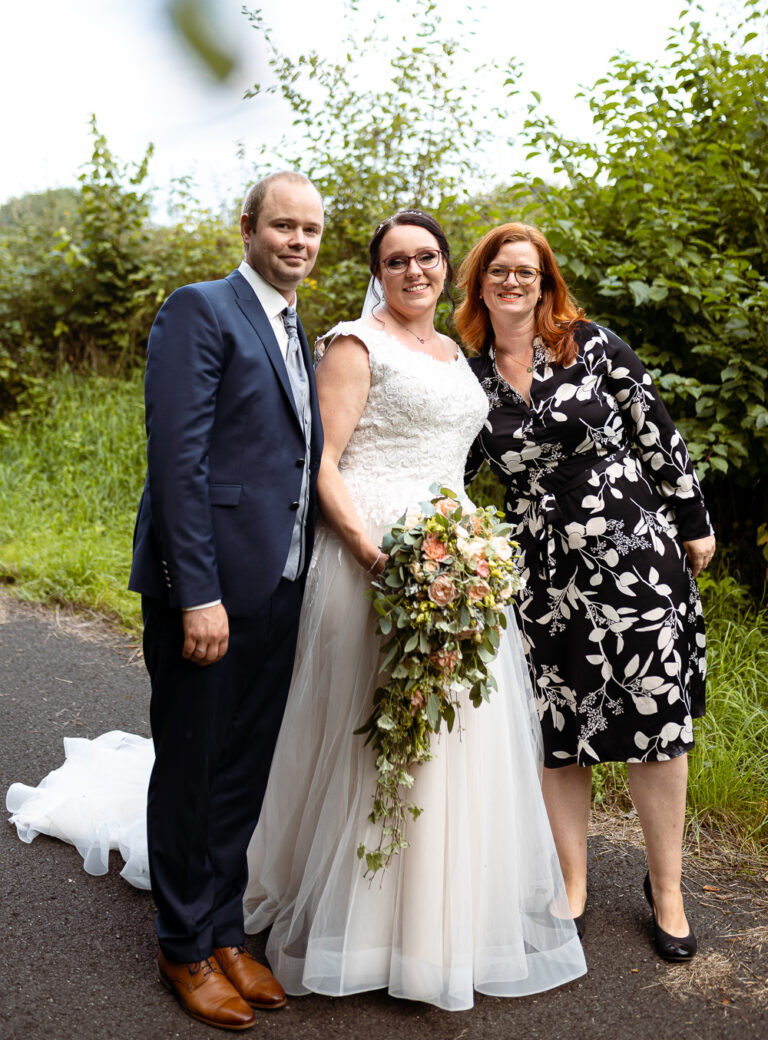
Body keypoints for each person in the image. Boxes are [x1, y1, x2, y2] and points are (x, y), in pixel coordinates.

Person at [240, 210, 586, 1010]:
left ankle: (439, 923)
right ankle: (357, 921)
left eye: (427, 257)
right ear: (377, 271)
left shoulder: (453, 356)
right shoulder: (354, 345)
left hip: (453, 555)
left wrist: (464, 553)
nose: (415, 272)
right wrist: (371, 552)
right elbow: (320, 464)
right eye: (397, 261)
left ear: (443, 266)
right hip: (374, 554)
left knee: (454, 733)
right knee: (374, 727)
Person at [455, 221, 715, 963]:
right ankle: (572, 881)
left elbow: (654, 427)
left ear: (546, 282)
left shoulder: (591, 344)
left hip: (634, 554)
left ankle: (665, 889)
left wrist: (692, 518)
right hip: (539, 575)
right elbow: (450, 466)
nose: (514, 282)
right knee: (559, 728)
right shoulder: (467, 376)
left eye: (528, 272)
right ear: (479, 284)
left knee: (655, 719)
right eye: (500, 270)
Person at [128, 171, 325, 1029]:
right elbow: (178, 465)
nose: (299, 242)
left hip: (280, 585)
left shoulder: (296, 326)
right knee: (192, 767)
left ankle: (224, 931)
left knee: (244, 769)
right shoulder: (200, 309)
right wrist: (194, 595)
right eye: (283, 225)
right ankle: (181, 946)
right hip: (209, 594)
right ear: (247, 226)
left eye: (312, 230)